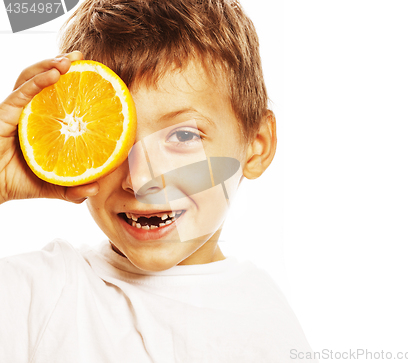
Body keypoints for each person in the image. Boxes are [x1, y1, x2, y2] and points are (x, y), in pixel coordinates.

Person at [0, 0, 314, 362]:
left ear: (256, 146)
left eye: (182, 137)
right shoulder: (39, 295)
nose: (141, 178)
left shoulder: (266, 322)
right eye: (112, 140)